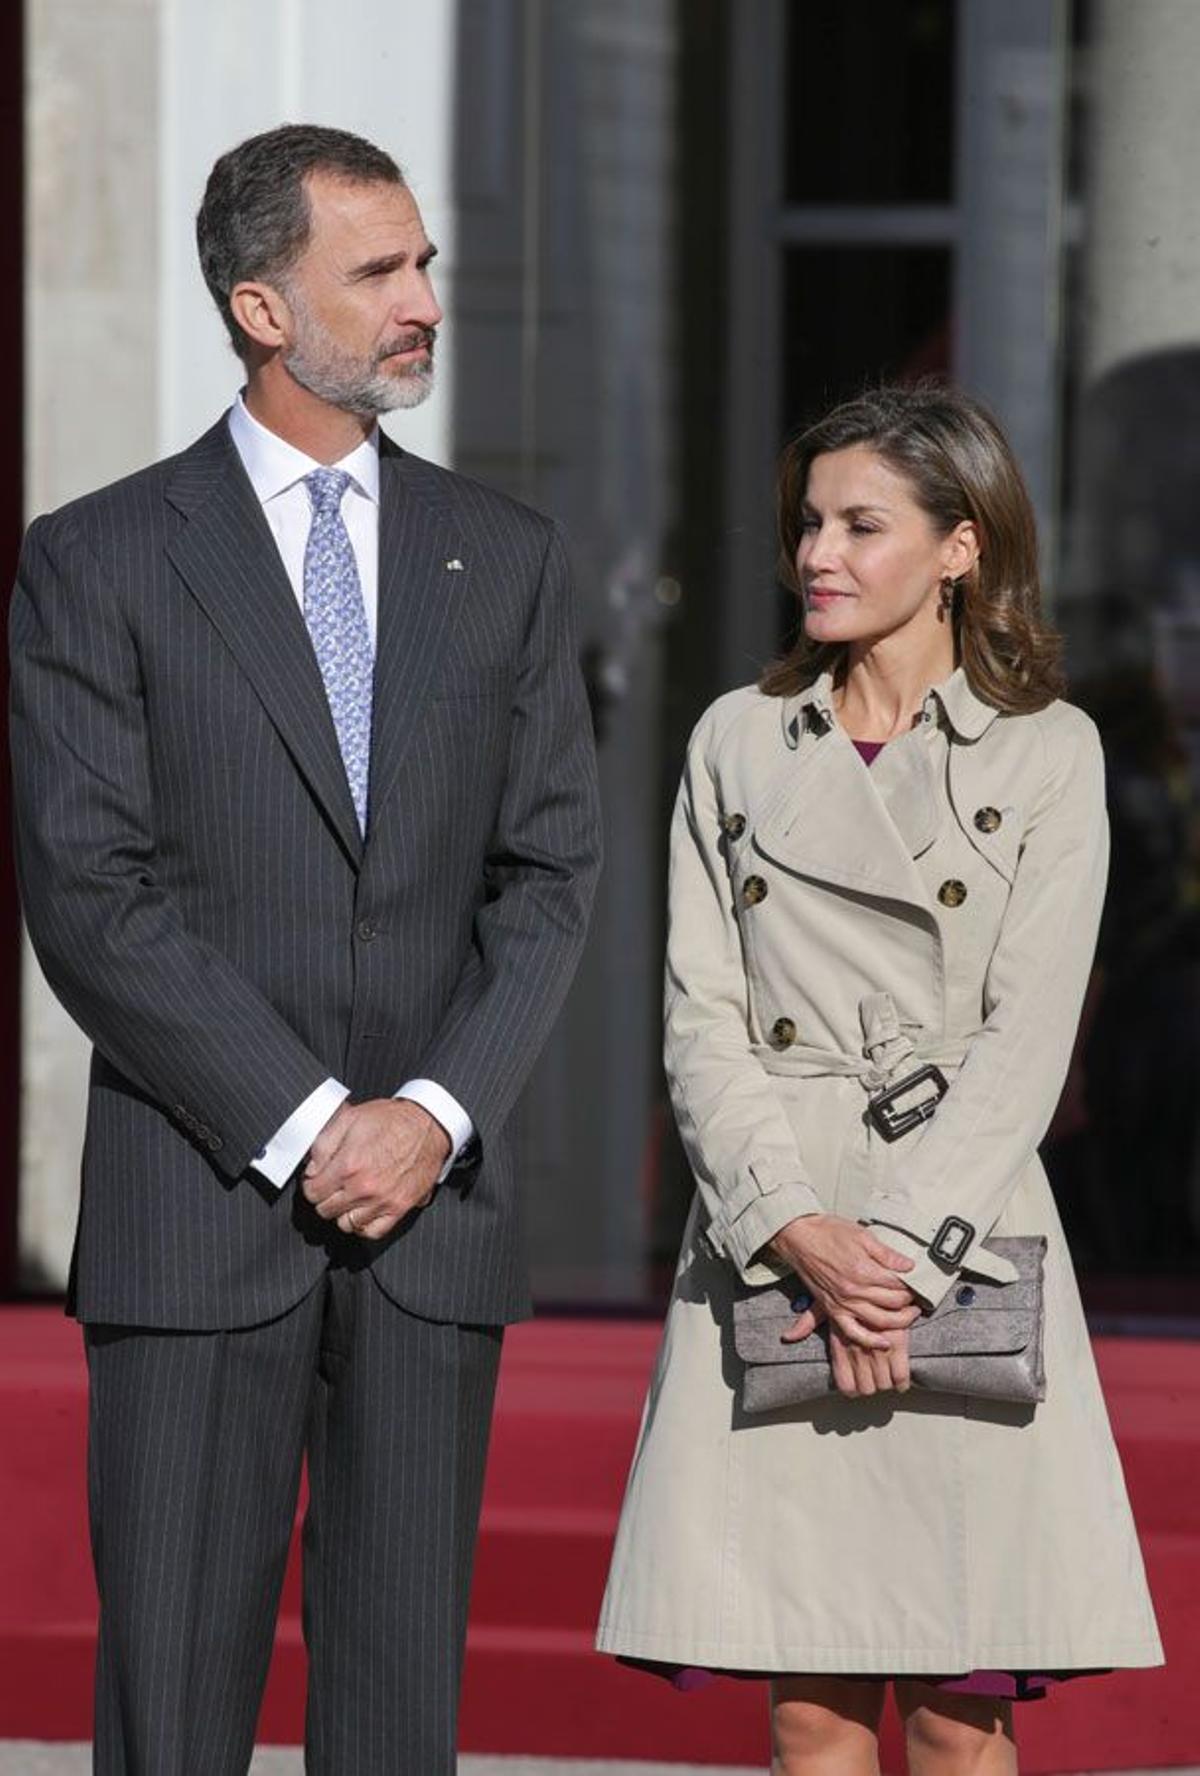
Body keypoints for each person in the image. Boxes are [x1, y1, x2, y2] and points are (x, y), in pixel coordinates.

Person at [10, 123, 601, 1776]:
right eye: (381, 271)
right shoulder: (100, 557)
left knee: (402, 1721)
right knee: (173, 1718)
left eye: (426, 263)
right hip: (200, 1211)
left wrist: (428, 1115)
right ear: (264, 309)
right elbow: (90, 892)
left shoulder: (509, 560)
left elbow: (551, 876)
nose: (425, 300)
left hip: (435, 1225)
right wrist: (303, 1121)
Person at [596, 385, 1162, 1775]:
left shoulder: (1049, 751)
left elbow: (1030, 1041)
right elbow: (700, 1014)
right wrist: (794, 1228)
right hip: (776, 1214)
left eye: (861, 525)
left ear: (961, 549)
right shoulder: (738, 738)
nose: (819, 556)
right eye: (808, 525)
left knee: (961, 1715)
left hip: (954, 1225)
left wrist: (897, 1257)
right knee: (809, 1713)